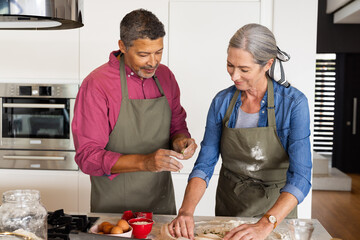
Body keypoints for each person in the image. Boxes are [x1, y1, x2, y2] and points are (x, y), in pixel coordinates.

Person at [168, 23, 312, 240]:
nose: (234, 76)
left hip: (276, 213)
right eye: (229, 65)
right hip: (230, 206)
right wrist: (186, 212)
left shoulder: (293, 103)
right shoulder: (222, 102)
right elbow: (205, 164)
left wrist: (266, 223)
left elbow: (301, 177)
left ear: (268, 64)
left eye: (244, 69)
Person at [72, 9, 197, 214]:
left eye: (158, 52)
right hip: (115, 211)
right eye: (143, 54)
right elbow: (87, 156)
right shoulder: (97, 84)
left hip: (161, 205)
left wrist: (182, 141)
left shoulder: (166, 77)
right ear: (122, 46)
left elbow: (176, 125)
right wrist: (146, 162)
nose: (153, 62)